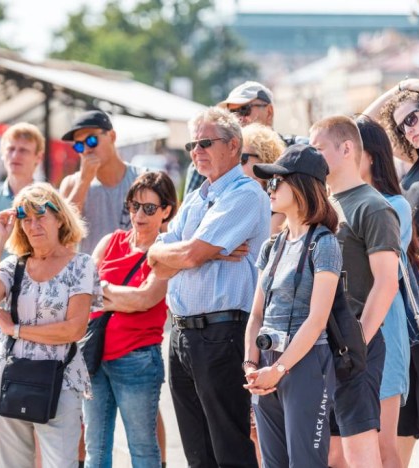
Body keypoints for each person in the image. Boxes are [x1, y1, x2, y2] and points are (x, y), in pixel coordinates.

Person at [148, 107, 269, 468]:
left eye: (205, 142)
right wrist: (188, 253)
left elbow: (189, 253)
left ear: (234, 146)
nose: (196, 150)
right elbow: (154, 254)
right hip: (184, 334)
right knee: (197, 453)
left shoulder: (245, 193)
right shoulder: (198, 196)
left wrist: (191, 253)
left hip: (223, 331)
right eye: (192, 144)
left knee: (230, 448)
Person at [0, 182, 100, 468]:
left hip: (60, 379)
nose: (33, 225)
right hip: (9, 378)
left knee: (61, 464)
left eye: (41, 216)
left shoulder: (80, 265)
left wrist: (15, 330)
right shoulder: (14, 265)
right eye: (26, 219)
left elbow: (74, 329)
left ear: (60, 218)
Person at [309, 116, 401, 468]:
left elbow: (386, 282)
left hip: (355, 346)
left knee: (360, 455)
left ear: (346, 148)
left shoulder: (373, 205)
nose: (313, 158)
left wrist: (355, 343)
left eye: (318, 149)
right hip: (322, 344)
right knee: (333, 456)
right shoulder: (324, 205)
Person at [366, 78, 419, 466]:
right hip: (413, 301)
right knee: (404, 418)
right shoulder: (415, 166)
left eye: (413, 118)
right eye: (401, 125)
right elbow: (360, 128)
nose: (408, 129)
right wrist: (401, 86)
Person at [243, 145, 341, 466]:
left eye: (276, 182)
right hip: (267, 365)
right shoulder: (273, 245)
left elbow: (317, 320)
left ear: (301, 185)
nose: (269, 189)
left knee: (306, 462)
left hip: (306, 363)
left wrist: (279, 369)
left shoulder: (324, 243)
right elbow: (256, 313)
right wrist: (251, 365)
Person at [85, 171, 177, 468]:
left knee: (142, 449)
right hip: (94, 357)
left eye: (149, 208)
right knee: (95, 450)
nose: (139, 214)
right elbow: (84, 292)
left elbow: (145, 299)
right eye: (134, 205)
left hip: (137, 360)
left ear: (166, 211)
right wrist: (123, 298)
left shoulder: (165, 250)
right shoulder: (111, 241)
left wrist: (106, 290)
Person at [355, 114, 418, 468]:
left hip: (384, 333)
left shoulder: (395, 206)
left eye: (350, 149)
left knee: (383, 447)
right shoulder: (337, 204)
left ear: (371, 155)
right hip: (345, 332)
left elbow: (382, 274)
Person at [0, 122, 44, 362]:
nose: (15, 155)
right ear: (3, 154)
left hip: (43, 312)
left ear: (38, 157)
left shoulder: (51, 202)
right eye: (11, 149)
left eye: (23, 150)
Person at [59, 109, 144, 254]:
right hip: (91, 274)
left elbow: (165, 232)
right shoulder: (71, 184)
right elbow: (61, 234)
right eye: (79, 145)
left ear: (112, 136)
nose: (86, 149)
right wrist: (84, 181)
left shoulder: (142, 178)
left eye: (91, 140)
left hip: (135, 273)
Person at [242, 123, 288, 236]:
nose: (236, 165)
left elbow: (266, 249)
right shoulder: (238, 195)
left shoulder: (278, 203)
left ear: (263, 157)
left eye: (242, 159)